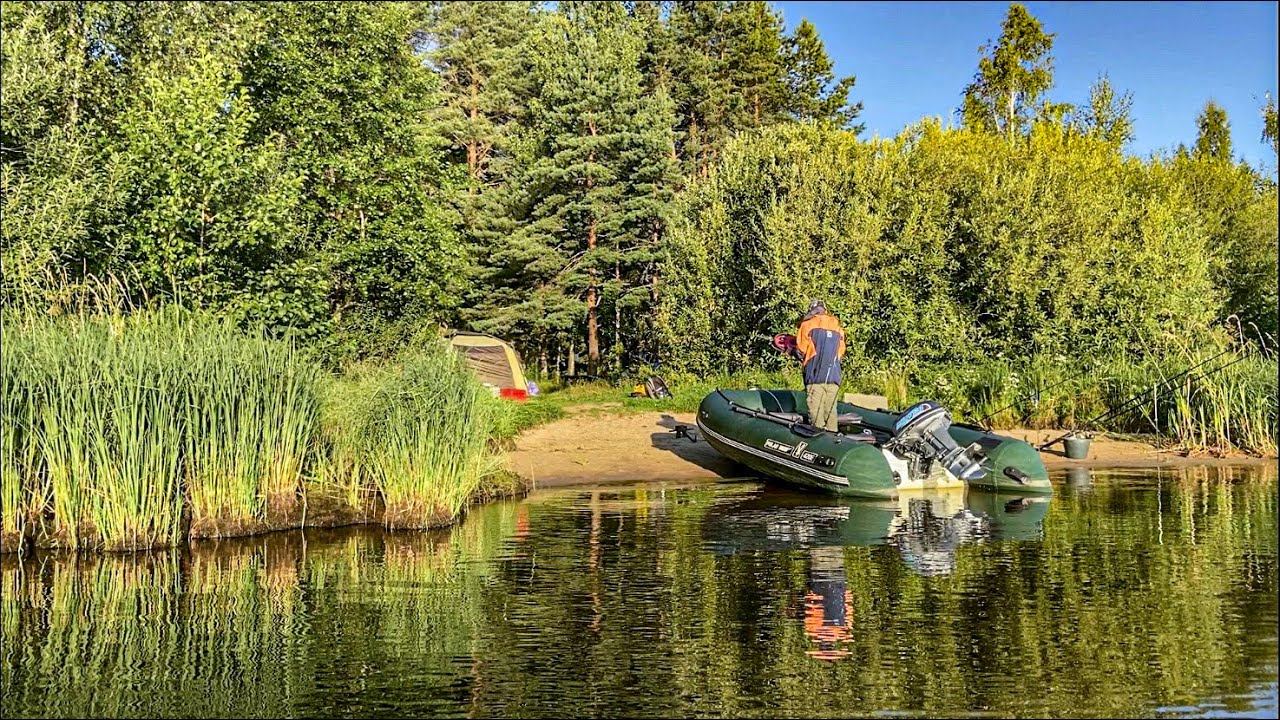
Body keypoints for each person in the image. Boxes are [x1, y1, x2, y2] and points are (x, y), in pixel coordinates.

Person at [795, 299, 845, 431]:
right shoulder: (838, 328)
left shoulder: (807, 325)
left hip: (815, 375)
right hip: (834, 377)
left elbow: (801, 350)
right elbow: (840, 353)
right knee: (830, 413)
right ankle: (833, 442)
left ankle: (818, 441)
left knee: (816, 414)